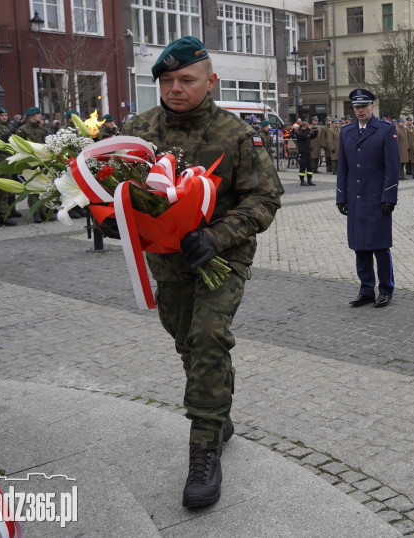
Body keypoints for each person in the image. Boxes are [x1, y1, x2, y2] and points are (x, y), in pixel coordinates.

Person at [120, 36, 284, 509]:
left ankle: (204, 449)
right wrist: (114, 220)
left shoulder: (235, 134)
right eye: (166, 81)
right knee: (186, 340)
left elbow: (264, 198)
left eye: (185, 79)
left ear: (209, 81)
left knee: (209, 336)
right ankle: (218, 410)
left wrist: (217, 236)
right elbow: (118, 188)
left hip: (221, 257)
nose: (175, 88)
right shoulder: (138, 131)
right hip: (167, 258)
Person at [336, 88, 400, 309]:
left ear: (373, 106)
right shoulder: (346, 132)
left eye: (364, 106)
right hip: (355, 198)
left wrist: (389, 195)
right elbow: (342, 167)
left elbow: (392, 167)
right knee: (360, 247)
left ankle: (385, 289)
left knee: (380, 247)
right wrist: (341, 197)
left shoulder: (385, 130)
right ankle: (366, 289)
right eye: (356, 107)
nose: (360, 110)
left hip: (377, 198)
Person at [15, 107, 49, 222]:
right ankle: (36, 213)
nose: (40, 116)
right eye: (37, 114)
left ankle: (44, 211)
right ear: (31, 116)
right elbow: (18, 146)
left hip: (43, 162)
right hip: (29, 163)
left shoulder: (42, 129)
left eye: (40, 114)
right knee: (33, 189)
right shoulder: (22, 130)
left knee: (44, 186)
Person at [293, 119, 317, 186]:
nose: (308, 127)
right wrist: (308, 130)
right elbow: (304, 136)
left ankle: (309, 180)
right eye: (307, 126)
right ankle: (302, 181)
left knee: (310, 167)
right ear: (303, 126)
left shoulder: (306, 132)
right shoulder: (299, 132)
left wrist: (315, 132)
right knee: (302, 167)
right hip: (302, 152)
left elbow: (311, 137)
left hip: (308, 151)